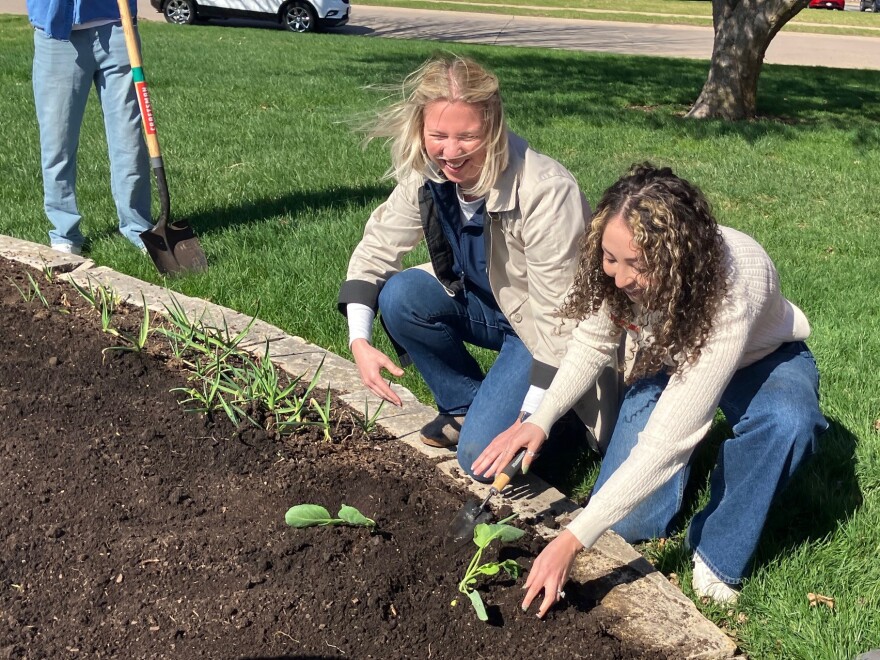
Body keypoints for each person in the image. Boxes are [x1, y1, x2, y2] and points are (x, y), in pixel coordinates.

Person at [472, 163, 828, 613]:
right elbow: (592, 342)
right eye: (609, 258)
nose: (618, 279)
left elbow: (667, 442)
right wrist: (541, 417)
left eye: (635, 266)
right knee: (626, 521)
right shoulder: (621, 275)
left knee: (787, 420)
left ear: (676, 259)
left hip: (760, 358)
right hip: (668, 356)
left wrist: (571, 539)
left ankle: (717, 553)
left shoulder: (733, 285)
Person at [338, 55, 620, 478]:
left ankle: (562, 427)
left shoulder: (546, 192)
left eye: (467, 137)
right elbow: (378, 247)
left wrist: (532, 418)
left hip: (540, 331)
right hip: (487, 302)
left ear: (494, 128)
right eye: (438, 135)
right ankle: (466, 408)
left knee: (478, 464)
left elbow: (560, 321)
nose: (450, 152)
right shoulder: (429, 172)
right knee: (400, 297)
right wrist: (359, 341)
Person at [28, 0, 153, 255]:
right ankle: (65, 233)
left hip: (117, 26)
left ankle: (138, 227)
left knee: (129, 140)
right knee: (58, 141)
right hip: (57, 34)